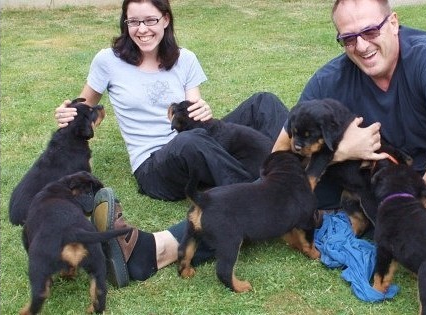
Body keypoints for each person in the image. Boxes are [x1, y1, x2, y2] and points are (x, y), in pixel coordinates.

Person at [53, 0, 288, 287]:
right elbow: (83, 105)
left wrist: (201, 110)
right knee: (192, 140)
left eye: (150, 20)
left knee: (263, 103)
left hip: (192, 142)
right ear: (125, 24)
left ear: (165, 20)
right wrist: (68, 111)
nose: (142, 29)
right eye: (133, 22)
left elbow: (192, 112)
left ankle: (292, 176)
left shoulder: (185, 58)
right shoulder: (108, 60)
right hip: (154, 167)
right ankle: (267, 198)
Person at [272, 0, 426, 212]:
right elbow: (280, 151)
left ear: (393, 23)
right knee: (273, 194)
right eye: (348, 38)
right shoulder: (328, 80)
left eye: (371, 31)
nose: (362, 46)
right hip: (364, 182)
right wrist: (343, 151)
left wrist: (407, 214)